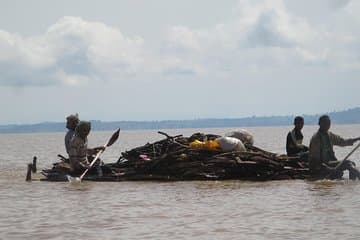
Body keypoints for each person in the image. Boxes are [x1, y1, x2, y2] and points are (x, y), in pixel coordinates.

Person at [309, 115, 360, 180]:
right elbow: (315, 160)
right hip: (320, 166)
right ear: (319, 124)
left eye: (328, 123)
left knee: (351, 164)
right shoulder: (316, 138)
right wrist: (330, 169)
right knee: (348, 163)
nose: (327, 125)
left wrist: (357, 139)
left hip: (330, 162)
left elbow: (343, 142)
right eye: (325, 123)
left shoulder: (330, 135)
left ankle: (353, 183)